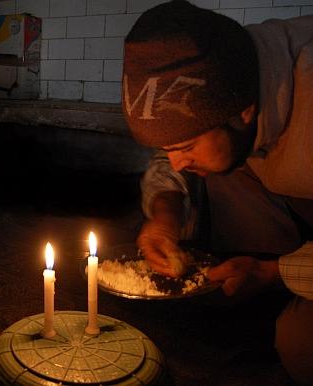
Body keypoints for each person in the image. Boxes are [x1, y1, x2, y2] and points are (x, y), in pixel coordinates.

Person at [121, 1, 313, 384]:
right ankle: (251, 303)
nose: (175, 162)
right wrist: (165, 217)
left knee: (300, 343)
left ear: (244, 112)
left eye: (186, 145)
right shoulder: (223, 83)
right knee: (214, 163)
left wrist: (273, 273)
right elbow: (172, 152)